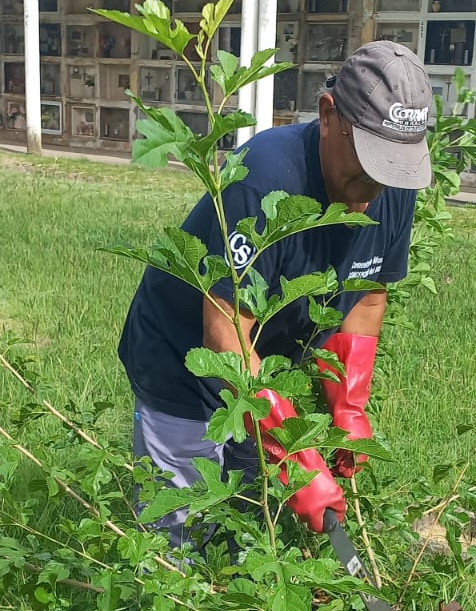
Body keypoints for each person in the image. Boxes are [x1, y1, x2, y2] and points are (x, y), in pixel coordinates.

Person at [119, 40, 435, 553]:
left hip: (262, 370)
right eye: (368, 158)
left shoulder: (393, 183)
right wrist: (291, 451)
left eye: (394, 166)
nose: (377, 184)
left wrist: (349, 405)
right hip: (181, 358)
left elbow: (369, 292)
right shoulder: (266, 178)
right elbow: (224, 332)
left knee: (248, 521)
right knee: (179, 530)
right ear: (328, 116)